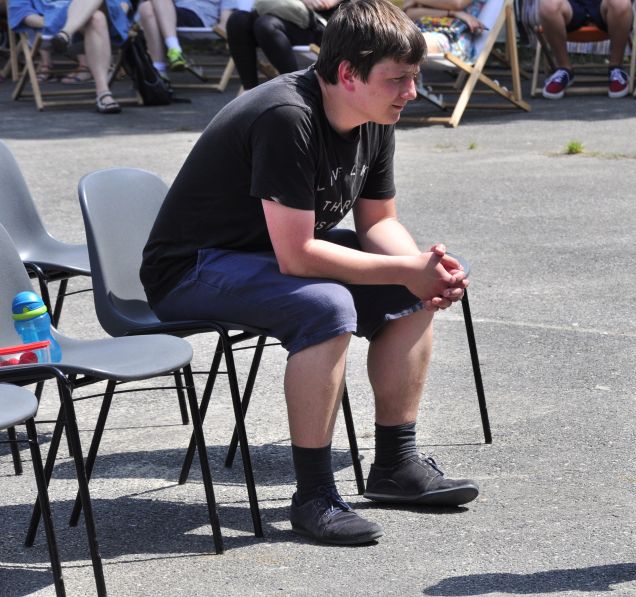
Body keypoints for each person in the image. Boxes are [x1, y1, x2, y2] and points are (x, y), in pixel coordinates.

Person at [140, 0, 479, 546]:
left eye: (413, 78)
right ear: (347, 73)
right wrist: (405, 268)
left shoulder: (372, 113)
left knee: (407, 286)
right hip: (190, 270)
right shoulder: (287, 116)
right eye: (398, 80)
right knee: (326, 306)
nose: (410, 93)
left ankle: (395, 465)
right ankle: (315, 497)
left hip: (263, 257)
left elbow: (379, 222)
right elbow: (298, 256)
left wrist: (422, 271)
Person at [9, 0, 131, 112]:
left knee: (96, 13)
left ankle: (65, 34)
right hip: (61, 20)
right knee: (96, 18)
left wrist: (119, 14)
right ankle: (104, 93)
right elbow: (21, 12)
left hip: (109, 16)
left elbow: (123, 3)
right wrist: (52, 22)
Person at [225, 0, 337, 92]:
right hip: (275, 13)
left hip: (315, 25)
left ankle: (296, 89)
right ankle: (249, 91)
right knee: (237, 20)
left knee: (265, 25)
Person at [538, 0, 633, 99]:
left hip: (605, 5)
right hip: (569, 4)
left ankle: (616, 68)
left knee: (620, 3)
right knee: (548, 5)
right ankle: (564, 69)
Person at [403, 0, 487, 61]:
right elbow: (409, 13)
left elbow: (458, 3)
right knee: (399, 40)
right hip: (423, 29)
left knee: (407, 44)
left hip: (453, 38)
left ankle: (413, 82)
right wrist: (453, 12)